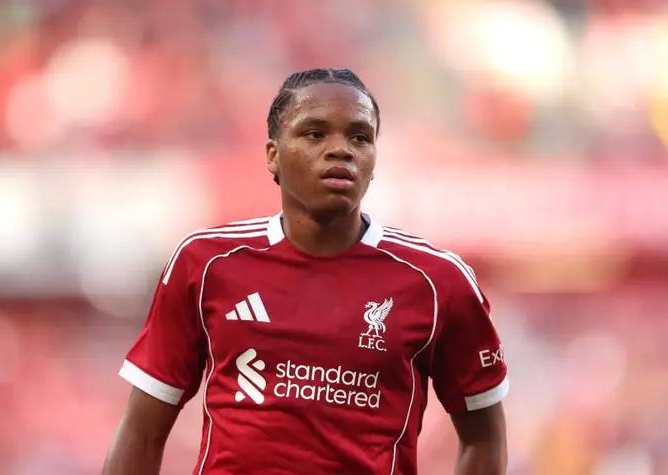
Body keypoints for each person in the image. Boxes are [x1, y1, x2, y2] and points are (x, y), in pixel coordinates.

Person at [103, 68, 508, 475]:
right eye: (315, 134)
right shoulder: (206, 263)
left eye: (360, 137)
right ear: (273, 155)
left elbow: (484, 439)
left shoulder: (437, 281)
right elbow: (142, 433)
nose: (341, 150)